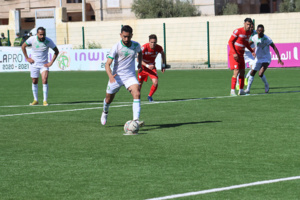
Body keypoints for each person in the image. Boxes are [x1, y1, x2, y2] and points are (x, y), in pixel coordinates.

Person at [100, 25, 144, 127]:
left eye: (128, 37)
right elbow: (107, 64)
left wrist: (140, 63)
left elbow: (140, 53)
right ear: (121, 35)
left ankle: (136, 121)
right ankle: (105, 112)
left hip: (130, 76)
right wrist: (110, 76)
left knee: (137, 92)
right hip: (117, 77)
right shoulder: (116, 47)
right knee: (108, 99)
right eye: (124, 36)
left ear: (132, 35)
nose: (126, 39)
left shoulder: (136, 45)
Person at [21, 27, 59, 106]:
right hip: (34, 64)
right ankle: (36, 100)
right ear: (37, 34)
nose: (42, 36)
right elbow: (23, 46)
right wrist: (27, 58)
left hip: (44, 65)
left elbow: (56, 51)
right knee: (34, 81)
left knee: (44, 80)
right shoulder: (32, 39)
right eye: (40, 34)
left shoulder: (48, 41)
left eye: (43, 34)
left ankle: (45, 100)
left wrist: (51, 62)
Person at [245, 24, 284, 94]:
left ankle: (266, 84)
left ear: (263, 31)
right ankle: (248, 89)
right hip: (258, 58)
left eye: (262, 31)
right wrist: (246, 49)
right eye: (259, 31)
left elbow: (274, 47)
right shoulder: (254, 37)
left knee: (260, 73)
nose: (260, 32)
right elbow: (248, 45)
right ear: (257, 31)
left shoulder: (267, 39)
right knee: (252, 72)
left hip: (266, 58)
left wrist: (279, 58)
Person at [228, 18, 256, 96]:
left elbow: (246, 43)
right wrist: (234, 53)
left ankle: (241, 90)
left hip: (241, 55)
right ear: (244, 24)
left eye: (250, 25)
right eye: (247, 24)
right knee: (236, 71)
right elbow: (230, 41)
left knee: (242, 72)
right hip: (234, 54)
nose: (248, 26)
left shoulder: (248, 33)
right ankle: (232, 91)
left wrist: (252, 51)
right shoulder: (238, 31)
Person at [138, 34, 166, 102]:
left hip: (152, 68)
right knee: (139, 85)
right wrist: (147, 65)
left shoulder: (159, 48)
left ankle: (150, 96)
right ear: (149, 41)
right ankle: (137, 98)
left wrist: (163, 65)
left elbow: (163, 54)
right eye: (152, 42)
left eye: (155, 42)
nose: (153, 44)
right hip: (143, 68)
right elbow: (138, 59)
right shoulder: (144, 47)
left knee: (155, 82)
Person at [236, 22, 257, 90]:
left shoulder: (255, 33)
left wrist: (254, 48)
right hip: (243, 54)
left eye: (252, 27)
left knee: (254, 68)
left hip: (250, 54)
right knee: (239, 70)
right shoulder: (243, 33)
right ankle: (237, 84)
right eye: (250, 27)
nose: (251, 28)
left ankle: (246, 78)